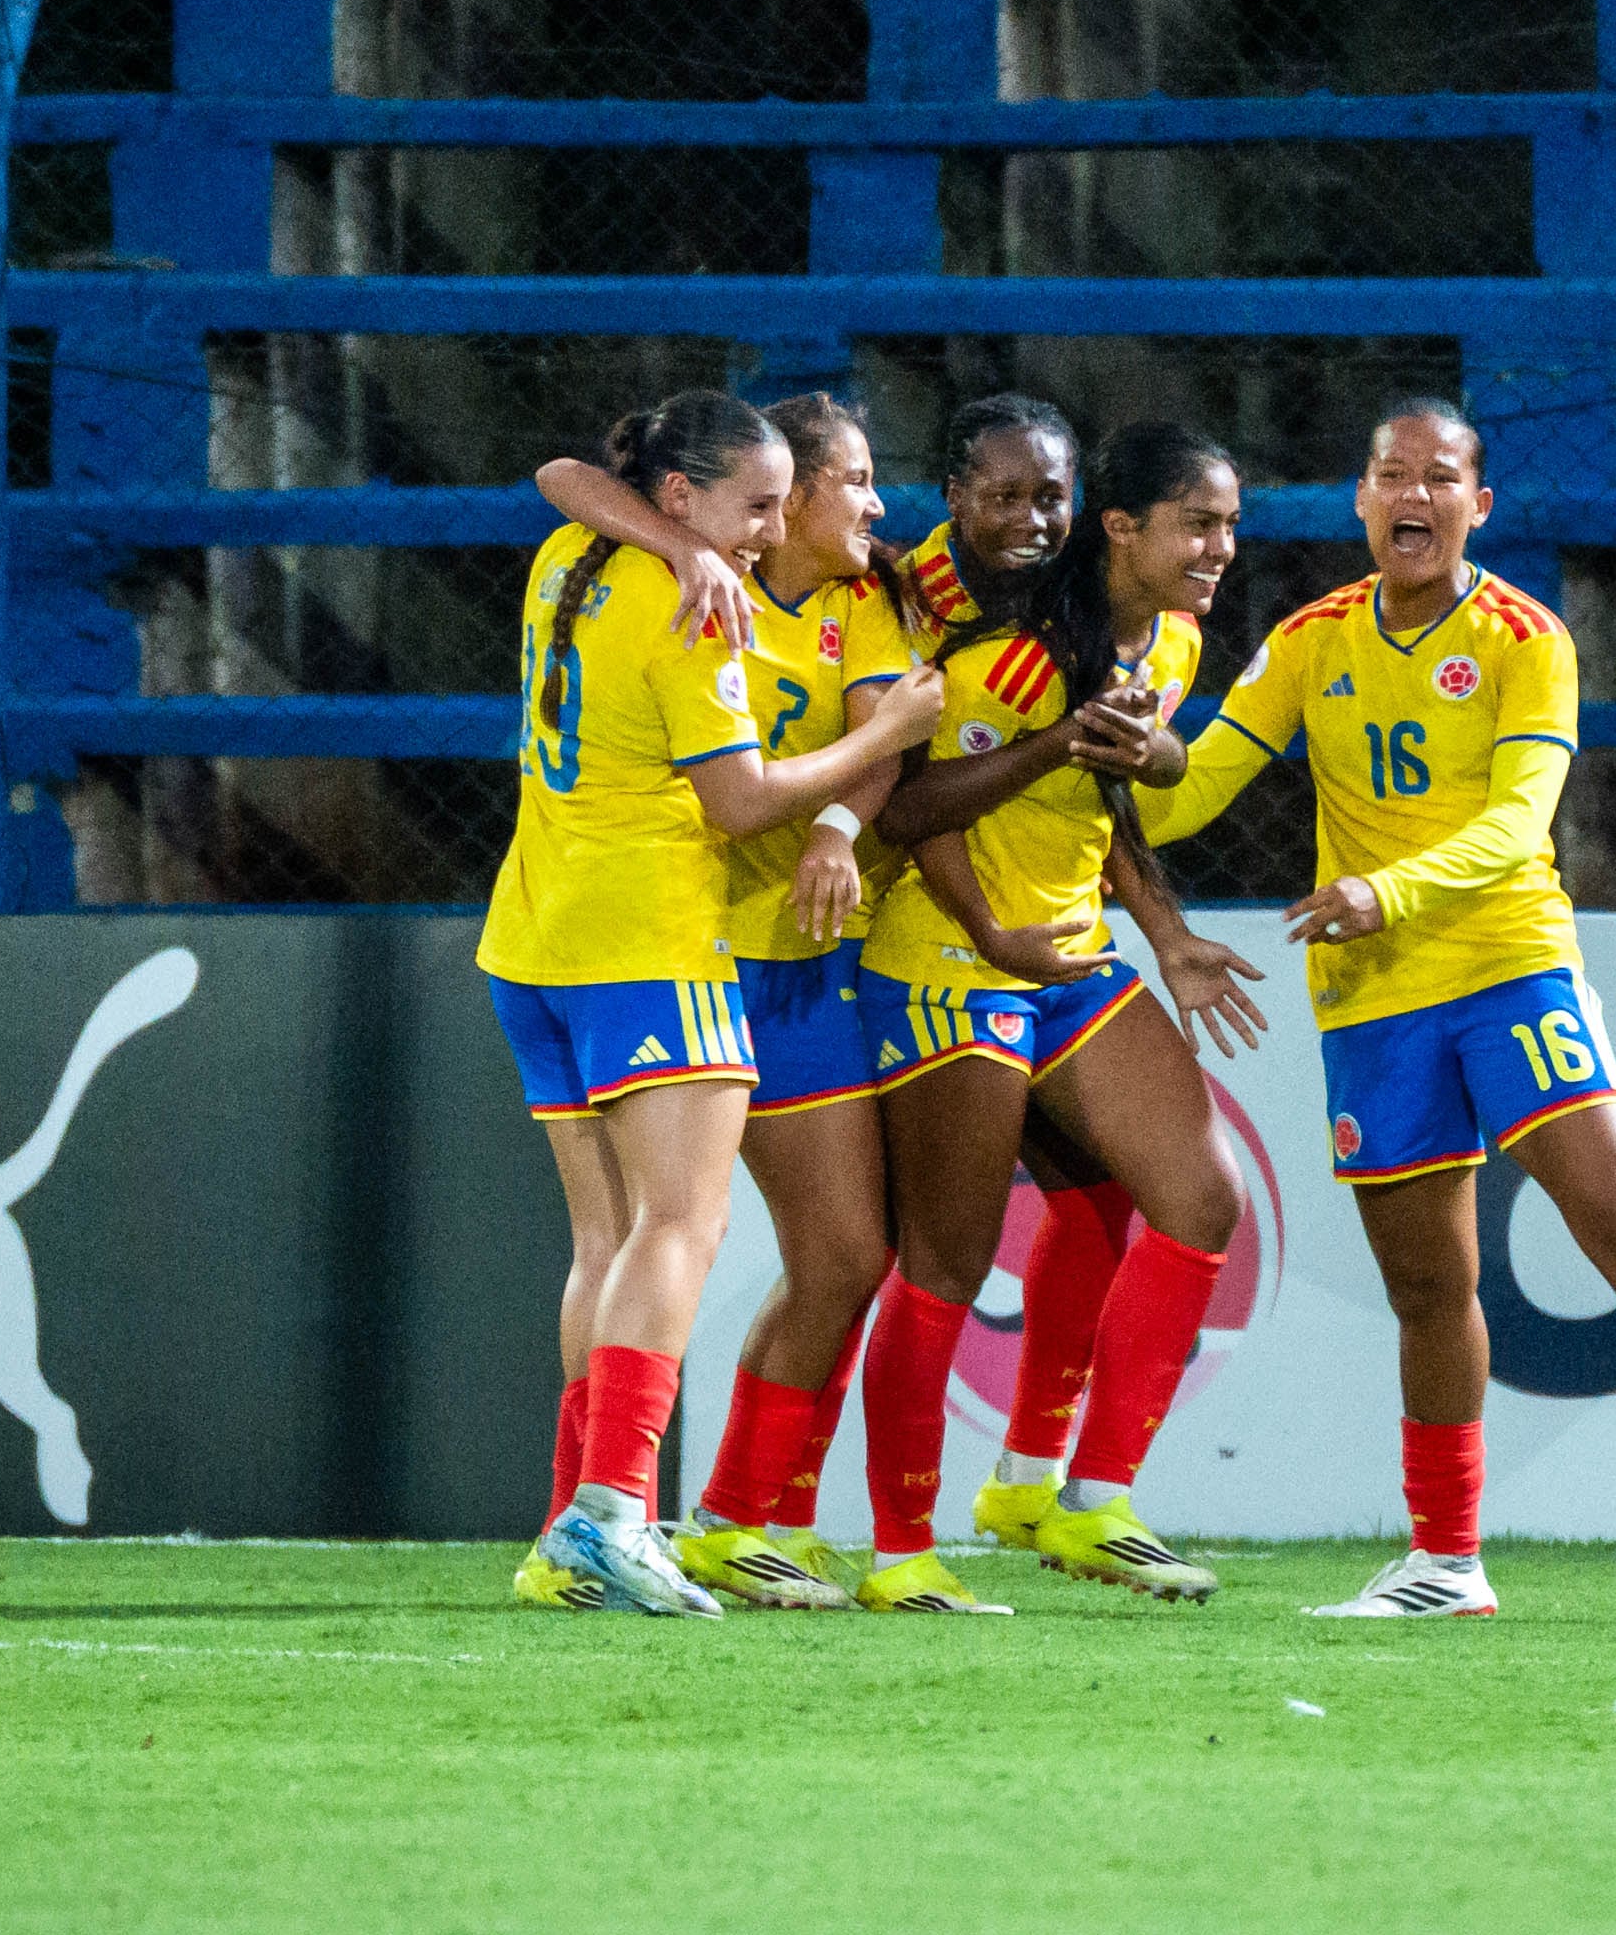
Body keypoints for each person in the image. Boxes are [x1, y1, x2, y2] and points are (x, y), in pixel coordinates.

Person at [1129, 403, 1616, 1616]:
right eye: (1390, 475)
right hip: (1373, 999)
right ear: (1361, 500)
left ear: (1479, 505)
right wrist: (1109, 760)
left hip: (1509, 965)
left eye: (1439, 477)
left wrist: (1385, 890)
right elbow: (1191, 792)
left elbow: (1520, 825)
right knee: (1429, 1290)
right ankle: (1446, 1562)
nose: (1412, 496)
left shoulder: (1527, 638)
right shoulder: (1310, 639)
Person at [541, 393, 1259, 1611]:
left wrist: (1168, 910)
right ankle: (756, 1526)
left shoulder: (1106, 626)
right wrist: (957, 889)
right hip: (882, 950)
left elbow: (1104, 784)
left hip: (1021, 950)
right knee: (855, 1254)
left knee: (1174, 1198)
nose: (1031, 518)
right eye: (1002, 494)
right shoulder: (890, 590)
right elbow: (909, 793)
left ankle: (1056, 1491)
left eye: (1050, 496)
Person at [482, 391, 947, 1618]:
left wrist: (687, 542)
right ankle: (614, 1514)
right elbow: (739, 804)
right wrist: (885, 736)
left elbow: (563, 472)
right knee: (681, 1225)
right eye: (754, 506)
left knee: (607, 1242)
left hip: (534, 931)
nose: (768, 531)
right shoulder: (695, 606)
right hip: (648, 937)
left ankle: (569, 1531)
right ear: (681, 495)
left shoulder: (569, 556)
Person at [857, 421, 1259, 1605]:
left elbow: (1108, 797)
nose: (1221, 548)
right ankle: (901, 1553)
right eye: (1199, 524)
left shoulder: (1172, 638)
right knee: (945, 1260)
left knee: (1199, 1198)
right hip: (953, 959)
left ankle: (1079, 1498)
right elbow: (908, 812)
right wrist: (994, 926)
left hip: (1070, 958)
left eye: (1230, 526)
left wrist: (1168, 935)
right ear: (1122, 528)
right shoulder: (1008, 650)